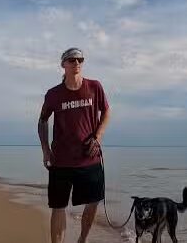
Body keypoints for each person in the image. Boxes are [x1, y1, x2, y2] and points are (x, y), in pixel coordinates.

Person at [38, 47, 111, 243]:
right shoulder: (53, 94)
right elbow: (42, 121)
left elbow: (106, 112)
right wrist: (46, 150)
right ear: (63, 65)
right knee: (58, 206)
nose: (76, 63)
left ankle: (82, 240)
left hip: (90, 158)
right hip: (60, 160)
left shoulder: (94, 87)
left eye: (80, 60)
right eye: (71, 60)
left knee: (94, 201)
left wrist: (98, 136)